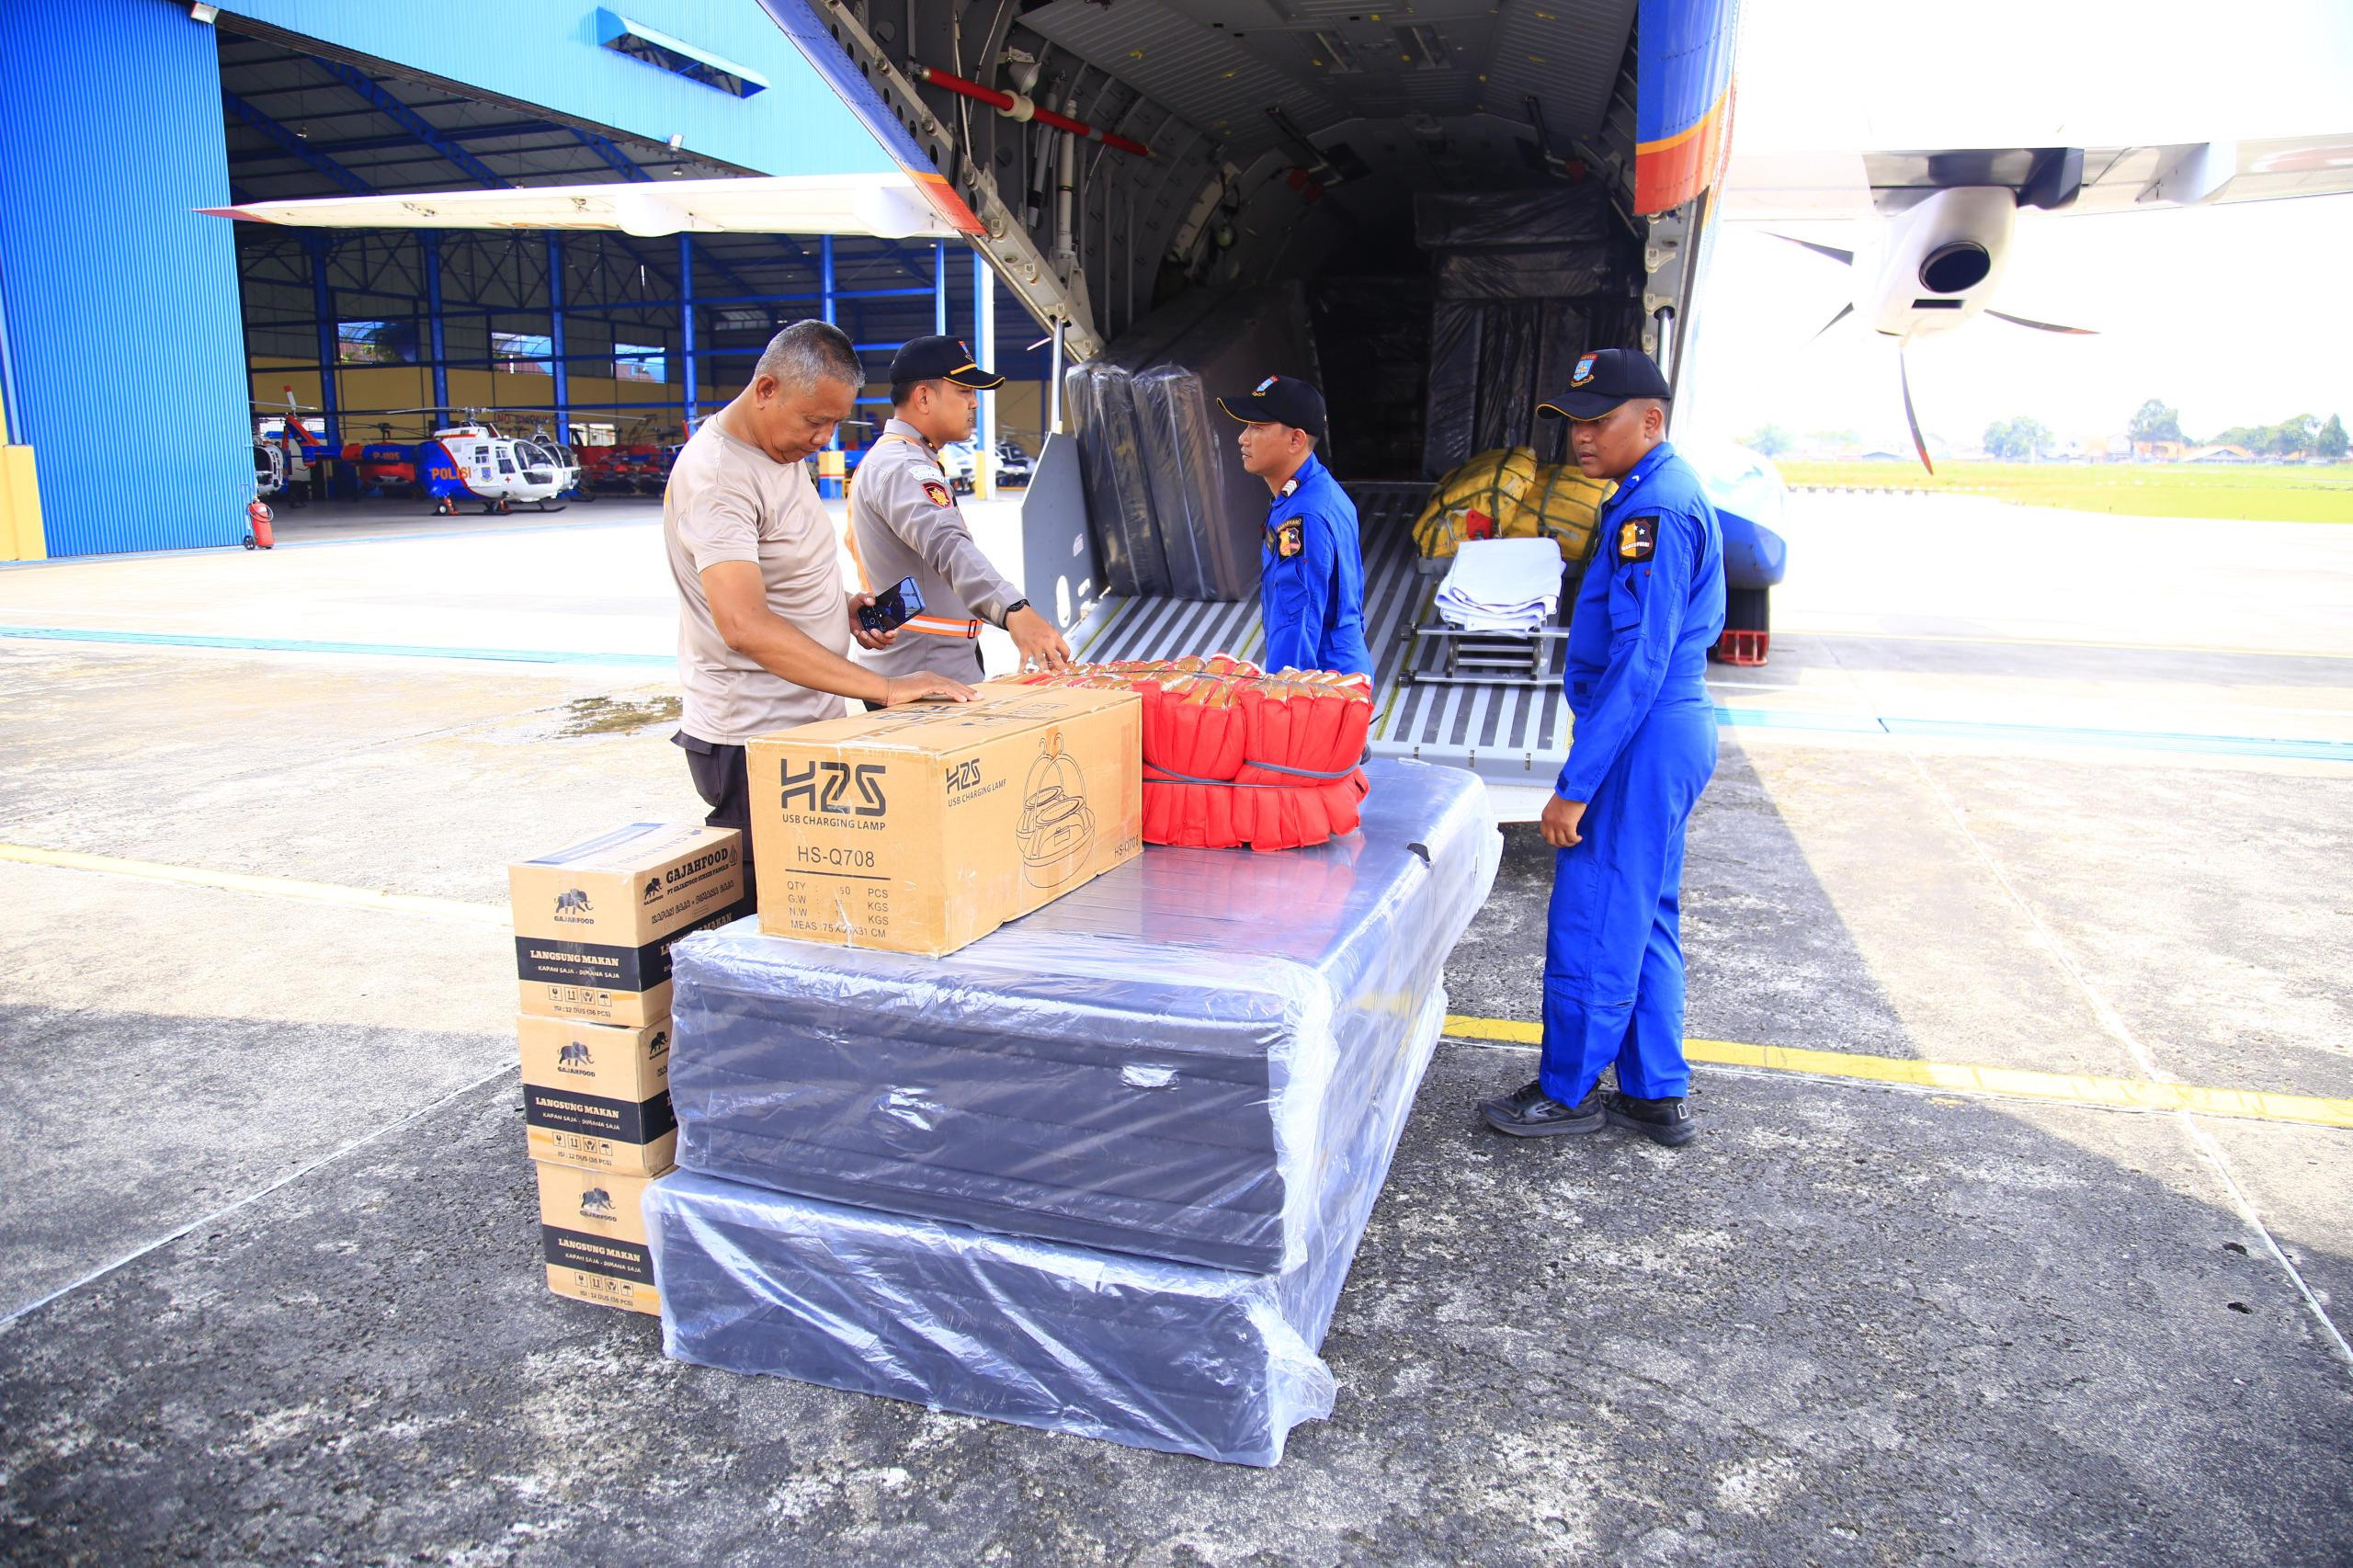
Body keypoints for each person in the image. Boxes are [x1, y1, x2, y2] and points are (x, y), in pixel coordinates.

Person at [1478, 347, 1725, 1146]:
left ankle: (1569, 1088)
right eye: (1573, 421)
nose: (1581, 436)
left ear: (1650, 420)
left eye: (1599, 419)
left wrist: (1576, 785)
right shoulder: (1647, 496)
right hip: (1662, 731)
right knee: (1644, 910)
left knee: (1595, 912)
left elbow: (1641, 664)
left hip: (1645, 733)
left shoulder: (1657, 511)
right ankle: (1654, 1090)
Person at [665, 321, 974, 893]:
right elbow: (744, 625)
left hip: (806, 725)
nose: (824, 438)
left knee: (826, 899)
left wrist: (843, 608)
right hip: (752, 741)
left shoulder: (776, 451)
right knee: (776, 913)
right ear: (766, 389)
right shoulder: (719, 478)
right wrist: (883, 689)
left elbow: (781, 578)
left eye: (836, 422)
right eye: (814, 421)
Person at [848, 335, 1072, 680]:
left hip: (931, 659)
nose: (975, 403)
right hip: (925, 674)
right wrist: (1014, 610)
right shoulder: (905, 465)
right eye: (964, 391)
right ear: (923, 397)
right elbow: (948, 544)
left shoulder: (901, 458)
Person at [1217, 375, 1371, 678]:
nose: (1243, 438)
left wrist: (1280, 696)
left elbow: (1296, 622)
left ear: (1295, 440)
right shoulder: (1312, 491)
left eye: (1257, 427)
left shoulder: (1304, 517)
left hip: (1320, 687)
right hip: (1335, 676)